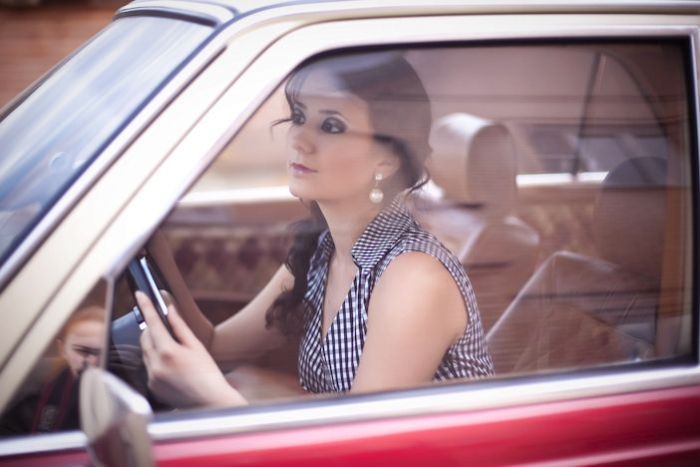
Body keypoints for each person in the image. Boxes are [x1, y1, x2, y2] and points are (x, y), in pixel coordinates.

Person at [138, 51, 494, 408]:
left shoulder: (413, 274)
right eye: (299, 116)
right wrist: (145, 238)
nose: (299, 141)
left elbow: (362, 449)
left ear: (385, 159)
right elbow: (216, 348)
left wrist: (210, 396)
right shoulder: (322, 251)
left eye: (331, 126)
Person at [1, 302, 105, 434]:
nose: (92, 360)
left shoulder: (128, 380)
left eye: (101, 352)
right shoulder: (37, 394)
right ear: (63, 350)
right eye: (81, 351)